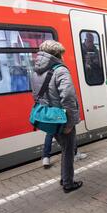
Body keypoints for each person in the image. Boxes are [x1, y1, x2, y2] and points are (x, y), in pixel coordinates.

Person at [31, 40, 83, 193]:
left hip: (49, 117)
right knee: (68, 151)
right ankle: (68, 183)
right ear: (57, 54)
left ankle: (64, 177)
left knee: (65, 148)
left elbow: (35, 95)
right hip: (61, 118)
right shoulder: (60, 70)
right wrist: (70, 123)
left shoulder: (36, 71)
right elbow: (68, 97)